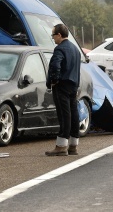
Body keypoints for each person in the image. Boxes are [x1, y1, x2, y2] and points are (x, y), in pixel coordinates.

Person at [46, 23, 81, 156]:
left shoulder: (60, 49)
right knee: (73, 113)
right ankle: (73, 145)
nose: (53, 38)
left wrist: (54, 80)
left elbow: (55, 66)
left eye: (53, 35)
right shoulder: (75, 49)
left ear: (59, 35)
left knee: (63, 114)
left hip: (62, 85)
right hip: (74, 84)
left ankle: (61, 146)